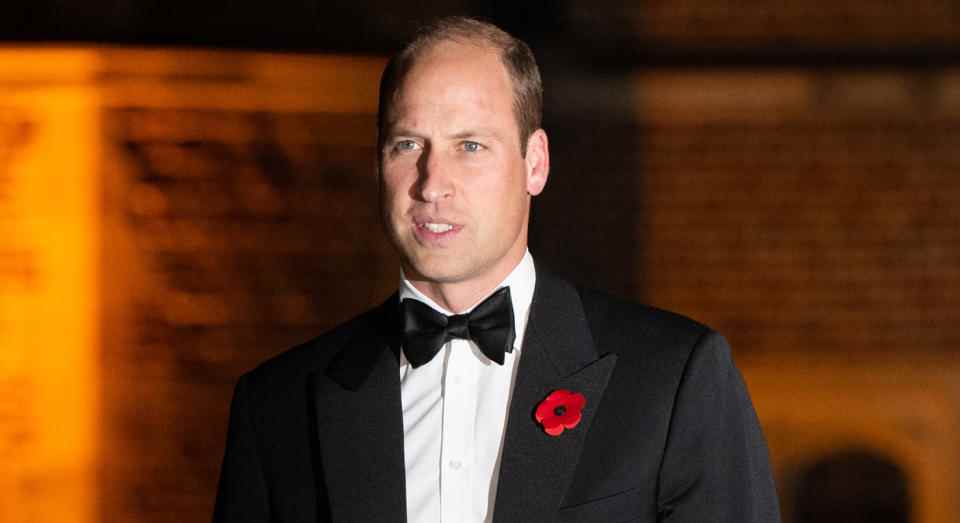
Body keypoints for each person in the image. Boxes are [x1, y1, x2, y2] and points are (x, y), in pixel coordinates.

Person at [213, 16, 780, 523]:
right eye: (407, 144)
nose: (432, 184)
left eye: (471, 146)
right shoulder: (277, 407)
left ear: (535, 163)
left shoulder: (673, 379)